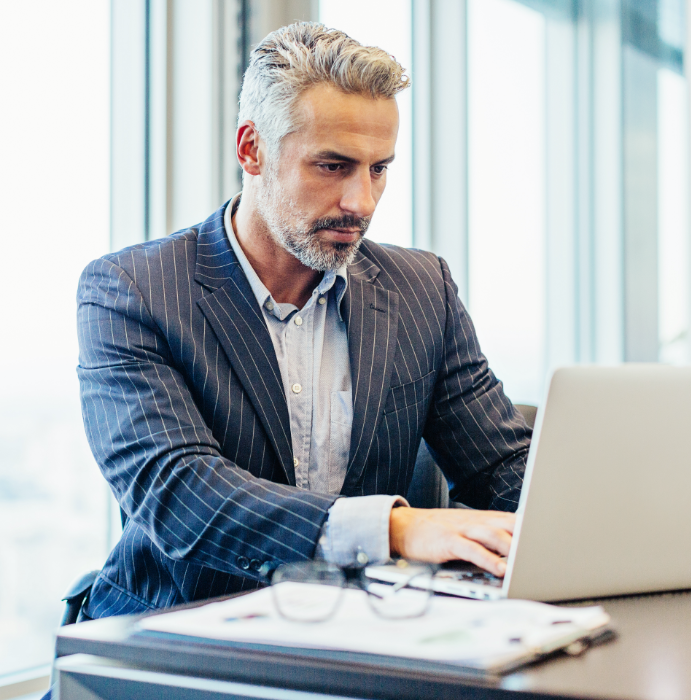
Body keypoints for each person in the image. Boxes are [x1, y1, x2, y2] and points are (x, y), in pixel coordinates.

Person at [75, 22, 529, 619]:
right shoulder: (133, 291)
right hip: (176, 643)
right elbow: (179, 493)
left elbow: (502, 468)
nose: (361, 203)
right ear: (251, 149)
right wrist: (392, 529)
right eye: (332, 166)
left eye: (378, 169)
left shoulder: (423, 290)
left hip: (361, 643)